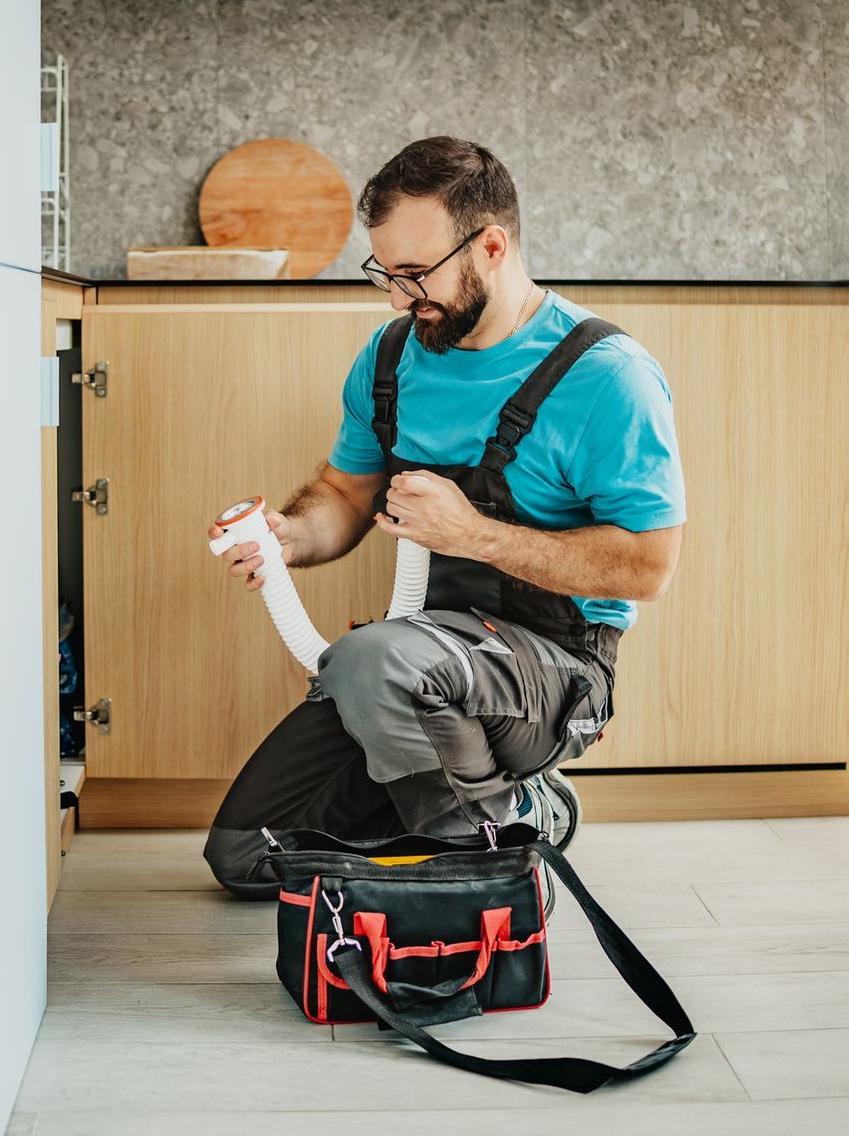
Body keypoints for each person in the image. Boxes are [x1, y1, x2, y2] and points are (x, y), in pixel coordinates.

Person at [203, 136, 687, 903]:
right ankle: (447, 811)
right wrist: (291, 536)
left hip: (556, 673)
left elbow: (648, 565)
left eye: (414, 275)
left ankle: (506, 833)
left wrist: (474, 535)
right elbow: (346, 492)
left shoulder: (606, 375)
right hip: (414, 665)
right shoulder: (392, 356)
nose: (398, 298)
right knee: (246, 854)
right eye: (384, 275)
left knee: (372, 660)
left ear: (491, 245)